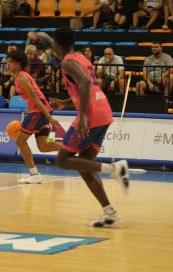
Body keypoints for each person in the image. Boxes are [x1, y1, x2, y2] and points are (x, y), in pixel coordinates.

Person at [50, 27, 129, 228]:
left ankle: (114, 169)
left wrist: (83, 115)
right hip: (103, 112)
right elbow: (85, 88)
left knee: (63, 160)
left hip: (92, 116)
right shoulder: (81, 58)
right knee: (84, 165)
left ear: (57, 44)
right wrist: (65, 103)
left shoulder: (67, 62)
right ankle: (110, 213)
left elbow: (85, 82)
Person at [7, 49, 61, 184]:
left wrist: (49, 118)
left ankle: (34, 173)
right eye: (7, 62)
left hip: (38, 112)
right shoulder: (19, 77)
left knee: (20, 141)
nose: (8, 65)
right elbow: (30, 100)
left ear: (19, 64)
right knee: (43, 146)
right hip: (38, 112)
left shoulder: (23, 78)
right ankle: (74, 146)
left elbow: (36, 99)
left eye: (11, 62)